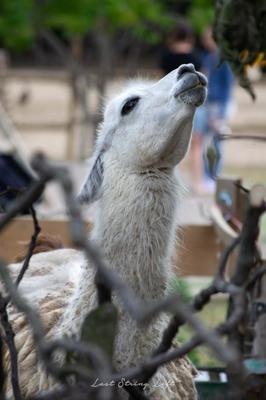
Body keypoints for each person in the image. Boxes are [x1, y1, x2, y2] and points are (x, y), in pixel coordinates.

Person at [192, 26, 234, 193]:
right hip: (207, 105)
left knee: (217, 144)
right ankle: (207, 177)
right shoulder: (207, 58)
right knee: (205, 143)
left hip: (219, 106)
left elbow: (227, 88)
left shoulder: (225, 59)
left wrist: (221, 113)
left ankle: (215, 176)